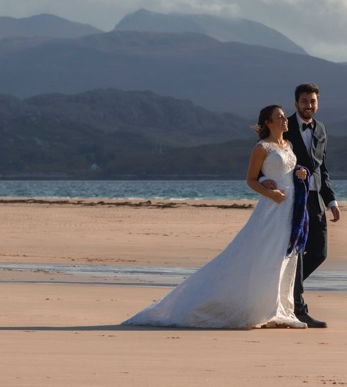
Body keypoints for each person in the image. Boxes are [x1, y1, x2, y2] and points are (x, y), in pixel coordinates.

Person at [123, 104, 309, 329]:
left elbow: (287, 172)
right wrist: (268, 190)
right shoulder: (262, 148)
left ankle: (280, 309)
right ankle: (263, 310)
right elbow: (250, 179)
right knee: (266, 256)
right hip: (272, 208)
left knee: (284, 258)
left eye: (283, 117)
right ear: (268, 122)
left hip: (291, 208)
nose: (284, 120)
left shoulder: (288, 145)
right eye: (279, 117)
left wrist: (301, 173)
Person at [269, 83, 339, 328]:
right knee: (297, 252)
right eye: (304, 101)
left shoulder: (321, 129)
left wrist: (331, 201)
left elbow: (323, 169)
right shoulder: (284, 127)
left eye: (313, 101)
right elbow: (269, 158)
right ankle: (298, 307)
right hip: (293, 200)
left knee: (319, 252)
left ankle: (286, 286)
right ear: (296, 103)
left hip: (316, 199)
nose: (309, 105)